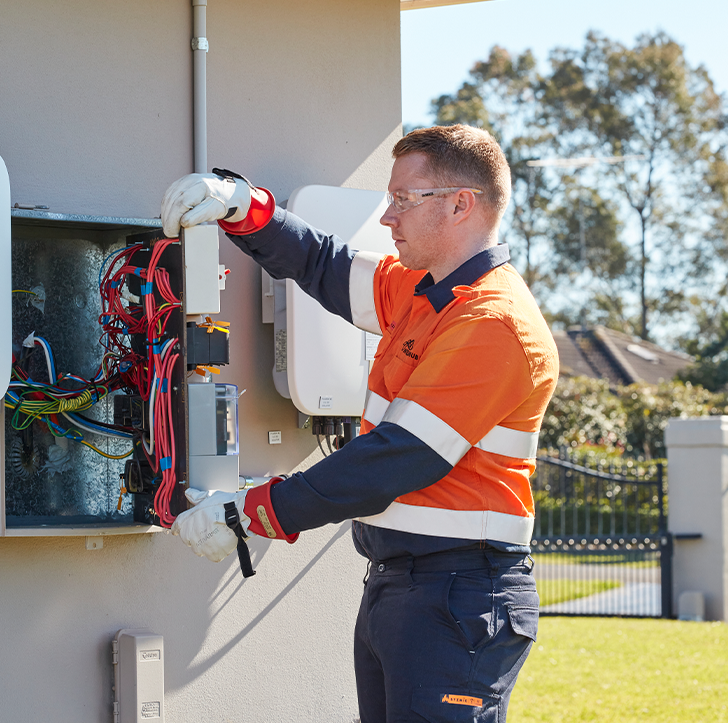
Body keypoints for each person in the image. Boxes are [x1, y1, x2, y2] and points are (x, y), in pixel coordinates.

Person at [162, 125, 559, 723]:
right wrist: (245, 207)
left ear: (460, 204)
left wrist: (250, 512)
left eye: (403, 200)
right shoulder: (426, 295)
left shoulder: (492, 320)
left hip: (456, 592)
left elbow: (396, 458)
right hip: (409, 587)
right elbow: (325, 263)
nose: (387, 219)